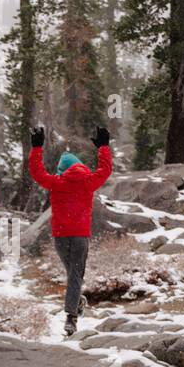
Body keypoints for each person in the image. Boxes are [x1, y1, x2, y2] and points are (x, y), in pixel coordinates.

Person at [28, 126, 112, 336]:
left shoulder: (57, 182)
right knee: (74, 276)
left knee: (73, 275)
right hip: (80, 236)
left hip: (60, 237)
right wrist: (103, 147)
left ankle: (71, 318)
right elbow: (106, 170)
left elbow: (37, 173)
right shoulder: (88, 181)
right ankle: (76, 305)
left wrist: (36, 147)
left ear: (62, 169)